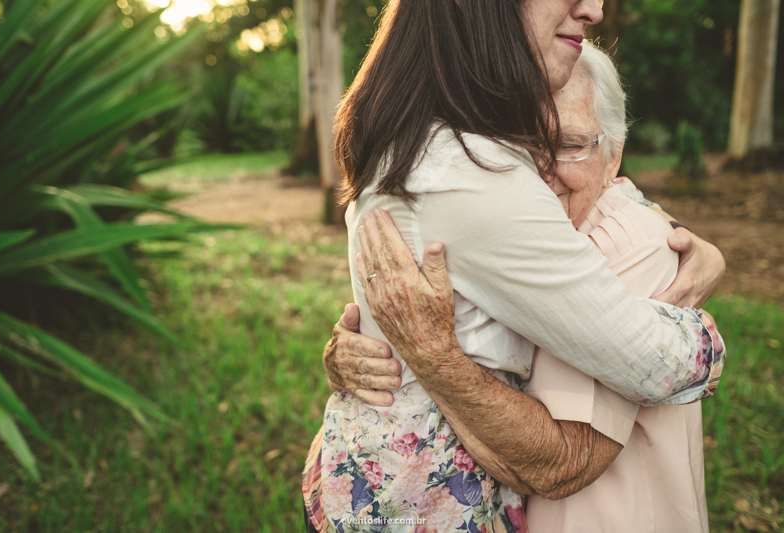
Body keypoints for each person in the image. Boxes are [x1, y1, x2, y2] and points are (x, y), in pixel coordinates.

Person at [305, 1, 726, 531]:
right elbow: (650, 362)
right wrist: (707, 333)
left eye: (571, 145)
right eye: (528, 145)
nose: (595, 8)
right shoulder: (472, 170)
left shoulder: (414, 145)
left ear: (615, 155)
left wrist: (680, 240)